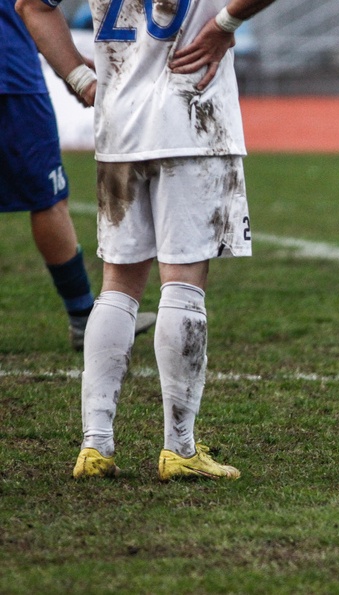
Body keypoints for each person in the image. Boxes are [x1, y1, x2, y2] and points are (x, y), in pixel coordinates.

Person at [17, 0, 277, 480]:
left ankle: (95, 446)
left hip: (120, 125)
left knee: (118, 284)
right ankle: (179, 448)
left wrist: (79, 78)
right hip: (193, 117)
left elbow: (32, 5)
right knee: (183, 281)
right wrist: (226, 24)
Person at [1, 0, 154, 351]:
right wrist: (69, 71)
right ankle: (83, 316)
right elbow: (32, 6)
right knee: (48, 198)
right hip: (10, 75)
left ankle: (84, 315)